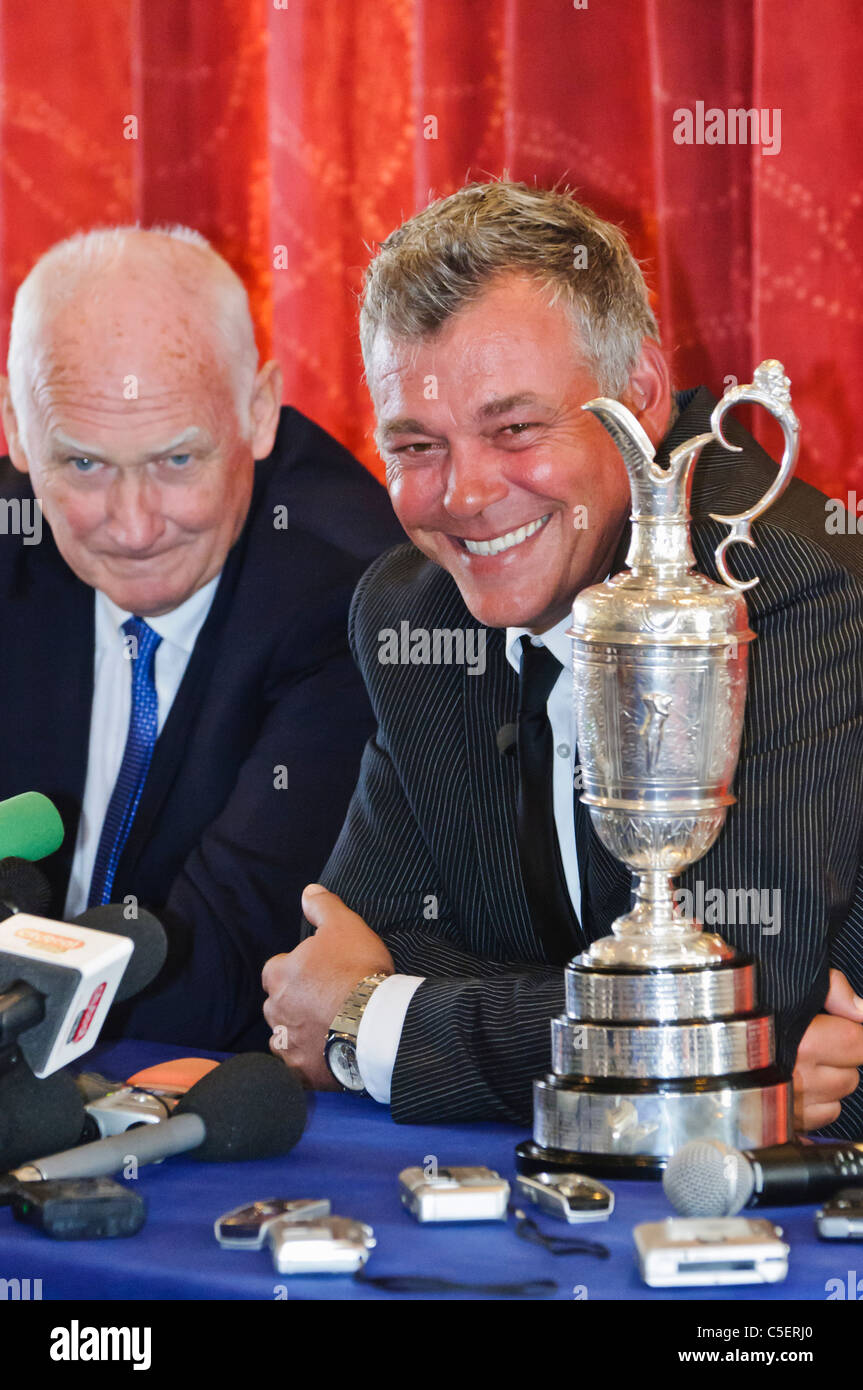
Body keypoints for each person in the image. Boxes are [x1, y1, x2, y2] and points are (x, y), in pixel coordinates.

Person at [262, 181, 863, 1137]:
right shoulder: (412, 614)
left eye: (514, 429)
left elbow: (728, 1016)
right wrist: (663, 1030)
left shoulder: (779, 592)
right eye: (416, 446)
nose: (462, 496)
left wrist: (378, 1021)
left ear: (641, 395)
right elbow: (348, 943)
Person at [0, 225, 403, 1049]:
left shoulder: (351, 596)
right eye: (82, 466)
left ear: (258, 413)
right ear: (15, 429)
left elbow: (218, 976)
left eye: (177, 461)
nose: (134, 524)